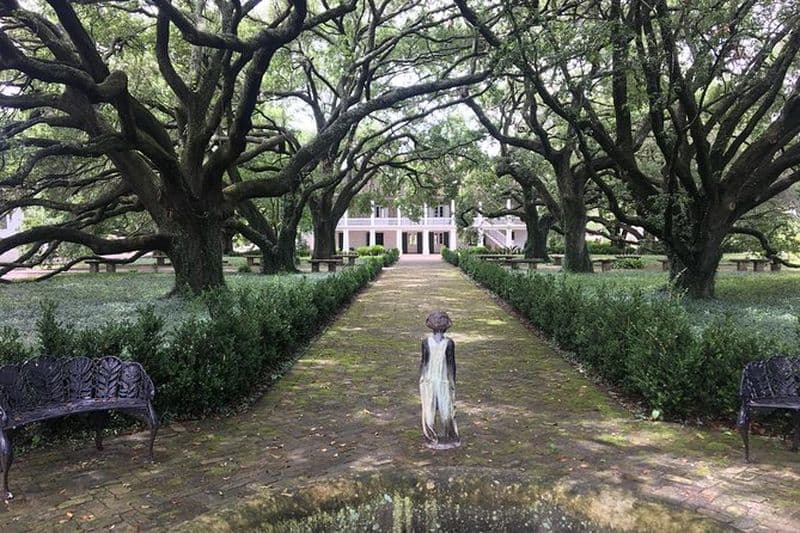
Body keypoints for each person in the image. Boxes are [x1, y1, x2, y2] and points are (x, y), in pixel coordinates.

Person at [419, 310, 460, 449]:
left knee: (447, 410)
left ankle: (450, 436)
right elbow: (424, 362)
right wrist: (422, 380)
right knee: (429, 411)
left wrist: (451, 382)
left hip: (442, 380)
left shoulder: (449, 344)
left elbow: (451, 365)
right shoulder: (426, 343)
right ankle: (431, 437)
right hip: (430, 380)